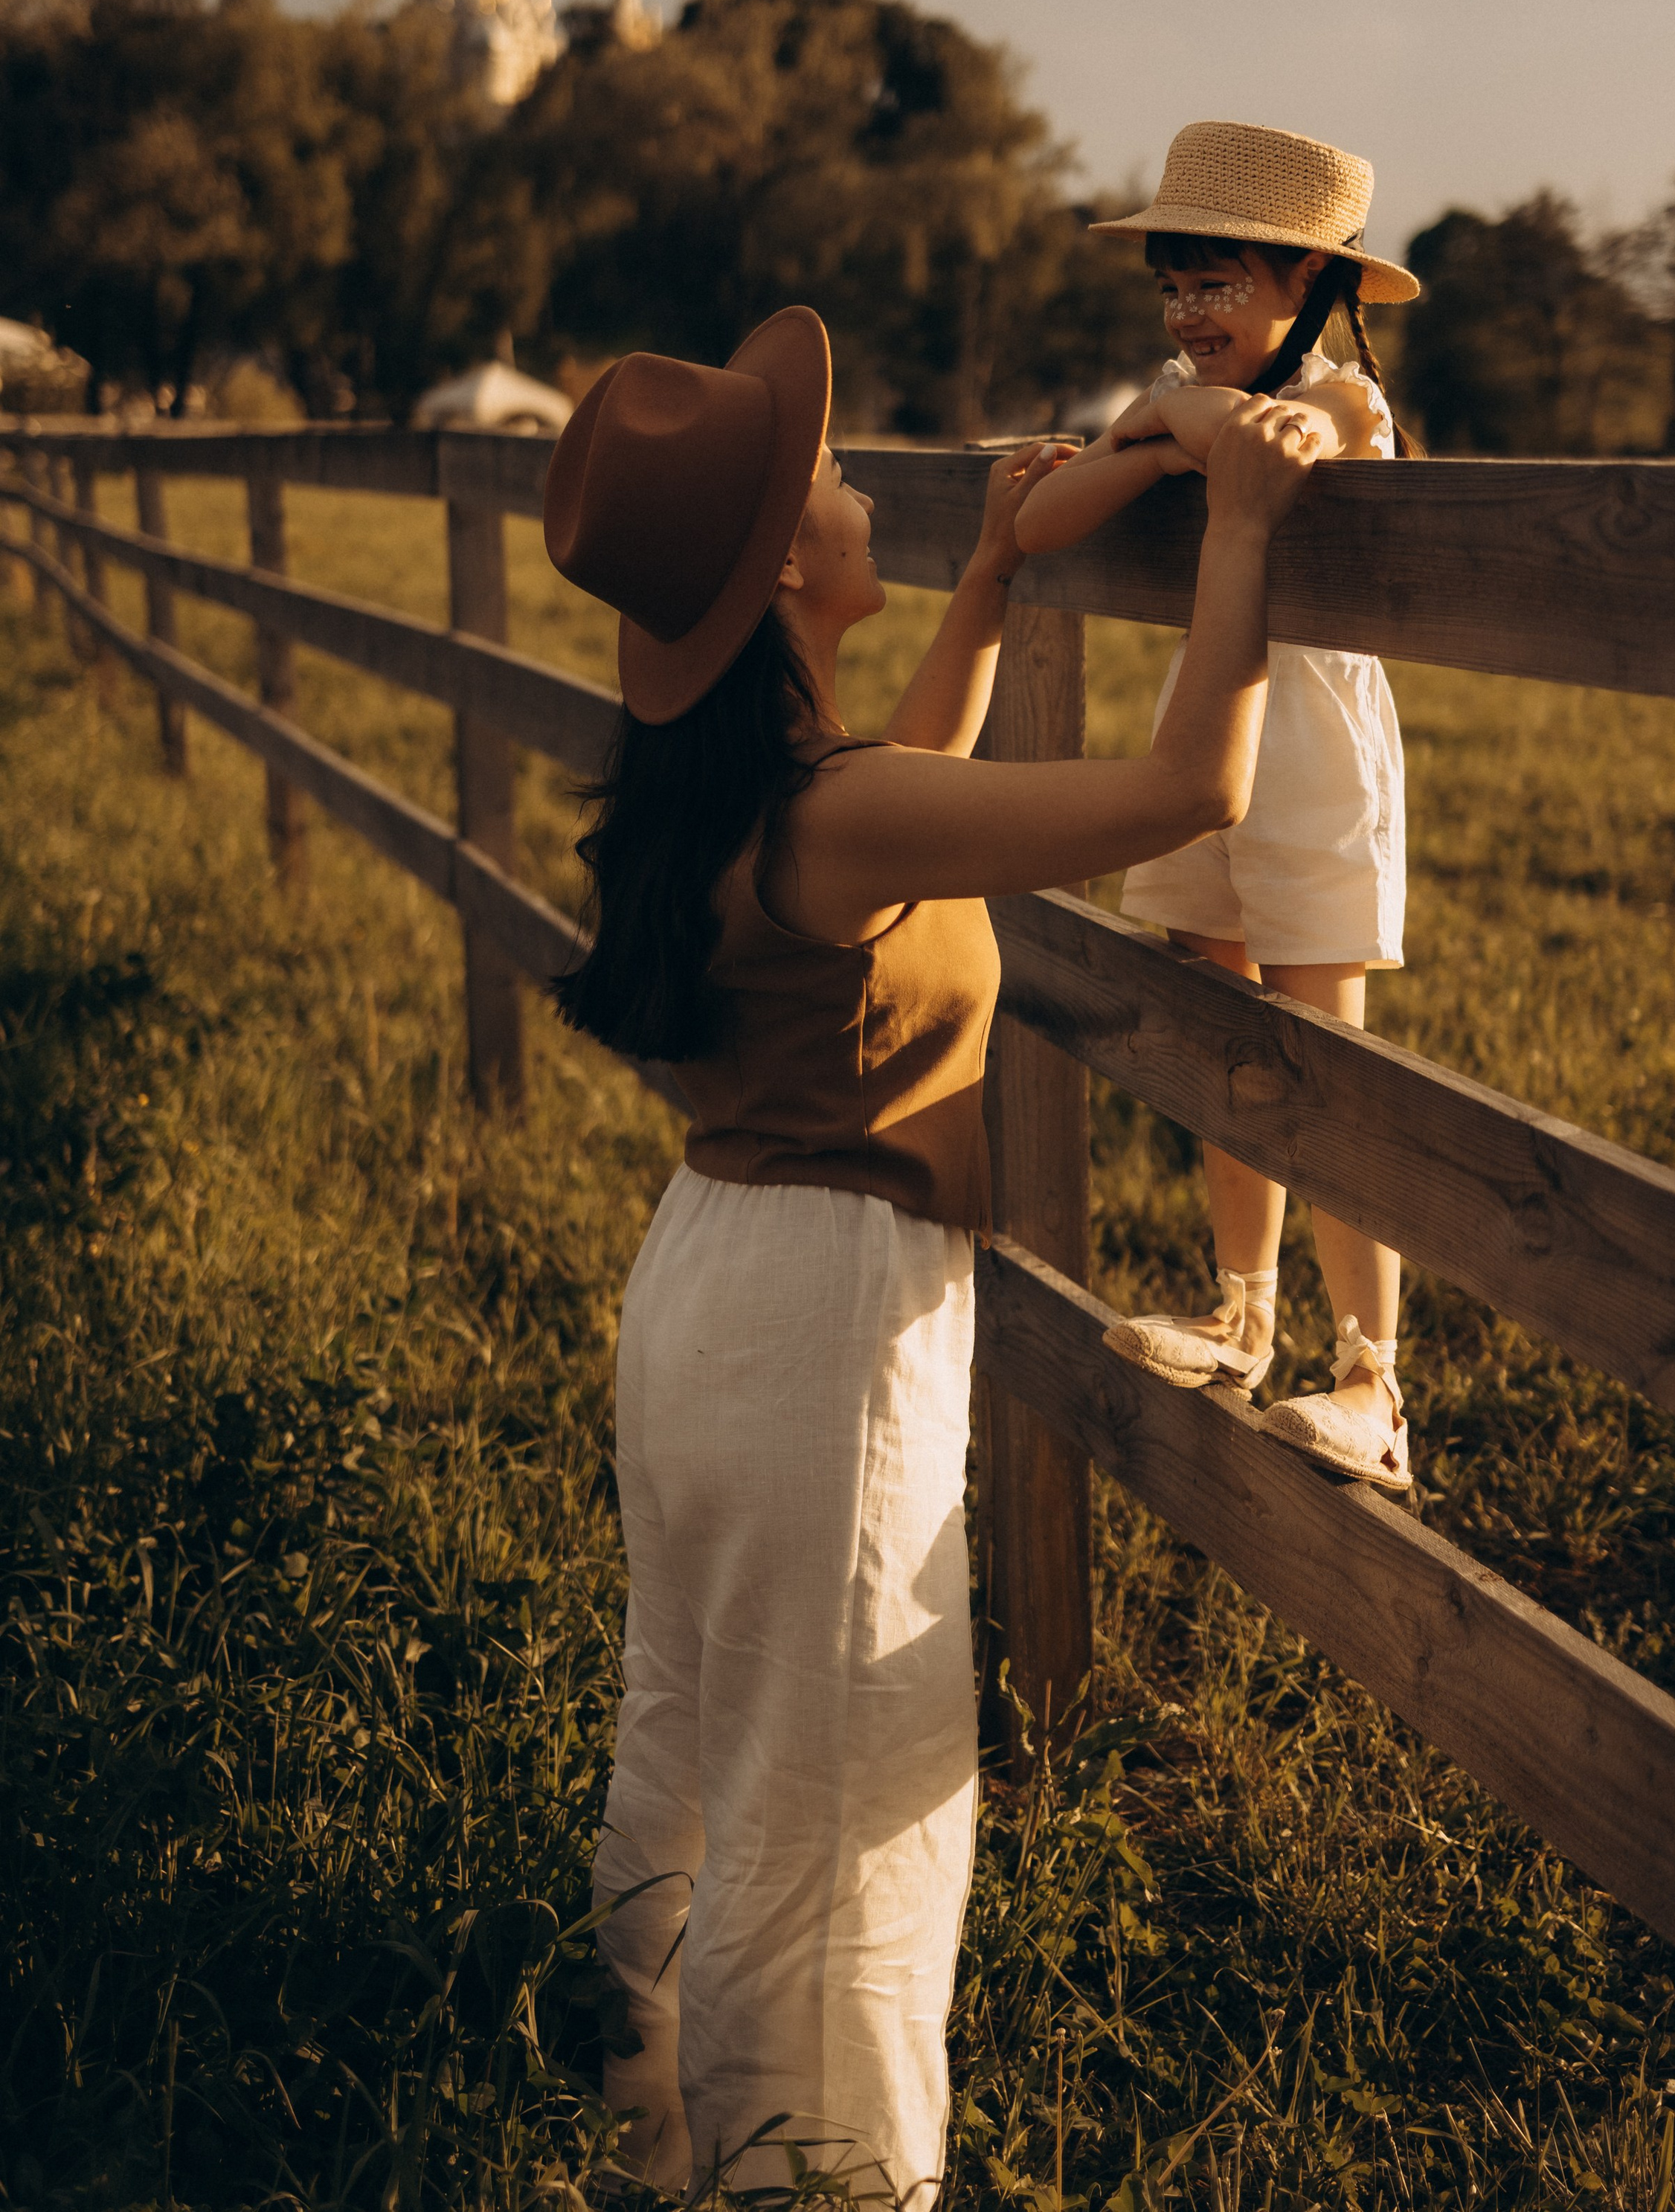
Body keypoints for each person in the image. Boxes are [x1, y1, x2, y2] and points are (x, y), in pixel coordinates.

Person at [542, 303, 1319, 2201]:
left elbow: (911, 790)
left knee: (702, 1714)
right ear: (787, 571)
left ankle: (651, 2118)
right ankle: (815, 2178)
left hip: (712, 1277)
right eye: (823, 478)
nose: (851, 478)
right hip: (822, 1315)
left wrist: (984, 568)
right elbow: (1184, 800)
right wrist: (1237, 516)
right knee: (837, 1796)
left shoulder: (759, 790)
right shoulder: (837, 808)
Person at [1014, 120, 1421, 1496]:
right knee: (1218, 1026)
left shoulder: (1349, 401)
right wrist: (1158, 427)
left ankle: (1374, 1376)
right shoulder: (1191, 399)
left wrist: (1164, 422)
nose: (1188, 317)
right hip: (1209, 738)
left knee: (1328, 1063)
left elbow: (1300, 442)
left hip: (1313, 758)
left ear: (1312, 285)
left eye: (1218, 285)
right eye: (1172, 290)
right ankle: (1243, 1314)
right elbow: (1040, 525)